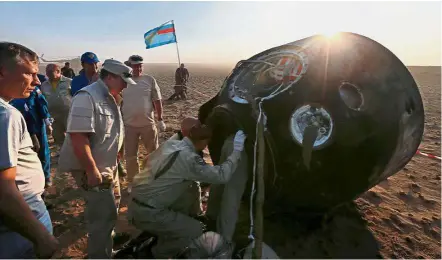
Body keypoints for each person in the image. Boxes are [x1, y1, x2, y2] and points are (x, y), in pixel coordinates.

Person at [128, 123, 246, 259]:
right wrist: (236, 151)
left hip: (136, 202)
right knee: (194, 230)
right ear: (203, 142)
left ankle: (163, 237)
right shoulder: (190, 159)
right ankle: (155, 254)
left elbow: (147, 161)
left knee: (188, 192)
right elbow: (222, 175)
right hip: (149, 213)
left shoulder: (171, 145)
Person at [58, 59, 135, 258]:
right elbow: (78, 136)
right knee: (102, 216)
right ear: (109, 76)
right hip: (93, 168)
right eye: (123, 80)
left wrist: (117, 154)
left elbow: (110, 131)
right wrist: (91, 170)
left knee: (111, 208)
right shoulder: (87, 97)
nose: (126, 84)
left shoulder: (111, 96)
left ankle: (105, 248)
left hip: (108, 164)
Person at [0, 42, 58, 258]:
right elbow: (4, 190)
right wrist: (41, 237)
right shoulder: (5, 115)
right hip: (20, 229)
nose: (36, 81)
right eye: (30, 73)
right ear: (2, 72)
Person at [121, 54, 165, 192]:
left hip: (148, 124)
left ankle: (153, 179)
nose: (137, 68)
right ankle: (133, 182)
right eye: (135, 66)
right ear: (129, 66)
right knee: (131, 156)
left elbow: (157, 100)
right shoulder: (123, 81)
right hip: (128, 125)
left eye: (140, 65)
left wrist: (160, 119)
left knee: (153, 153)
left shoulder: (149, 80)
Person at [9, 74, 54, 188]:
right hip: (17, 129)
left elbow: (42, 105)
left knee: (42, 151)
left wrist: (48, 123)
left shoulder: (34, 89)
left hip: (37, 126)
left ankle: (46, 177)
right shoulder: (8, 92)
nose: (37, 81)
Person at [40, 63, 72, 148]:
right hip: (53, 115)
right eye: (47, 72)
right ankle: (62, 153)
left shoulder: (69, 82)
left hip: (68, 113)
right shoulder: (44, 85)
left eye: (50, 71)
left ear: (58, 71)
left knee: (72, 136)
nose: (48, 74)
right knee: (58, 136)